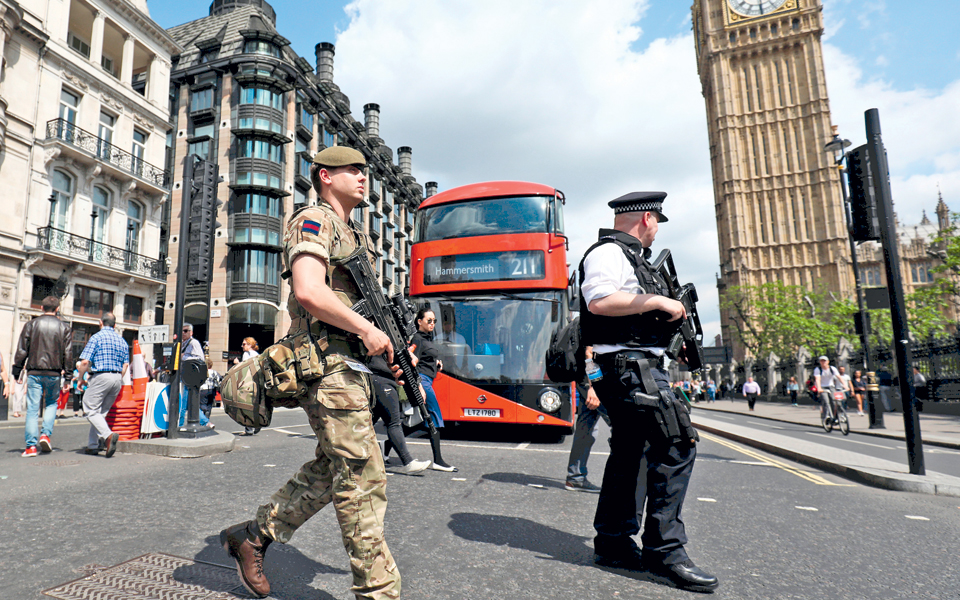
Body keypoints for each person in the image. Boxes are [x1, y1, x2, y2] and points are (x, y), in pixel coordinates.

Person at [220, 146, 401, 600]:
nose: (363, 178)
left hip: (350, 366)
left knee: (334, 467)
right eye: (353, 170)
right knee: (361, 478)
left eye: (365, 171)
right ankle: (378, 592)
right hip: (327, 368)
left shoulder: (354, 232)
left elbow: (364, 308)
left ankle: (254, 535)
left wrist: (393, 347)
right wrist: (365, 329)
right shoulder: (313, 220)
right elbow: (309, 291)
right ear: (325, 176)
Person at [579, 191, 717, 592]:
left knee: (630, 452)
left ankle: (614, 542)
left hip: (633, 367)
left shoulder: (633, 258)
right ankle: (664, 551)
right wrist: (658, 301)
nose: (656, 230)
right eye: (657, 221)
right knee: (677, 443)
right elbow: (601, 301)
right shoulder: (608, 252)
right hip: (629, 368)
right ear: (646, 218)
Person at [12, 296, 72, 457]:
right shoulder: (64, 327)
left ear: (41, 308)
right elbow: (68, 354)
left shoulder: (31, 325)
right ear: (57, 309)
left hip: (34, 372)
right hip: (54, 372)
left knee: (32, 408)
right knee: (52, 403)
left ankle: (31, 446)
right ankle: (45, 435)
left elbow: (22, 350)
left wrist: (17, 371)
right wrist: (68, 377)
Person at [408, 308, 457, 471]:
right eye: (429, 320)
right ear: (419, 321)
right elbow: (411, 360)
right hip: (423, 381)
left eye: (434, 321)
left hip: (428, 378)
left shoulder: (426, 338)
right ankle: (438, 461)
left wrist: (436, 363)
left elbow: (424, 358)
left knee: (422, 419)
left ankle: (388, 445)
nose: (432, 323)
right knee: (433, 417)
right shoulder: (417, 338)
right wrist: (419, 384)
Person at [77, 313, 129, 457]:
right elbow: (125, 365)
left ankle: (108, 436)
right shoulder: (122, 341)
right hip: (117, 377)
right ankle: (93, 445)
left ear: (100, 322)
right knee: (101, 413)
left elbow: (85, 362)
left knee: (90, 409)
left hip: (101, 375)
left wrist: (80, 378)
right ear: (115, 325)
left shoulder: (96, 337)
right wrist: (117, 377)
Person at [369, 354, 431, 475]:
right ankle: (408, 462)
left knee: (367, 423)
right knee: (393, 422)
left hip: (383, 378)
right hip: (381, 377)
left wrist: (418, 385)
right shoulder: (385, 337)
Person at [565, 345, 611, 493]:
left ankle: (576, 477)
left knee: (586, 428)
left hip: (589, 380)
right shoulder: (598, 321)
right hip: (594, 382)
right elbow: (589, 353)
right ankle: (624, 481)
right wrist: (594, 386)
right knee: (623, 428)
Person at [240, 337, 261, 436]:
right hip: (256, 382)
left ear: (250, 345)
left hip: (247, 382)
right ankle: (257, 423)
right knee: (254, 405)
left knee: (246, 405)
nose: (242, 346)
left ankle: (249, 428)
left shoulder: (246, 354)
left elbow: (244, 368)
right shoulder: (257, 355)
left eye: (244, 344)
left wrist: (237, 364)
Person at [813, 356, 842, 423]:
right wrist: (819, 388)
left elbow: (839, 377)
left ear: (828, 361)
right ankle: (826, 417)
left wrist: (845, 386)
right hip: (822, 387)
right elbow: (817, 379)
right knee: (826, 401)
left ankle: (835, 417)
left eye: (824, 361)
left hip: (831, 386)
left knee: (834, 401)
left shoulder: (832, 368)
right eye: (821, 361)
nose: (823, 362)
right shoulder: (818, 369)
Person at [199, 358, 221, 423]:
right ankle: (207, 416)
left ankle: (204, 419)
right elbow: (219, 380)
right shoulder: (214, 372)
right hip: (212, 389)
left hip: (203, 389)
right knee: (209, 404)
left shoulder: (202, 372)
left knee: (202, 404)